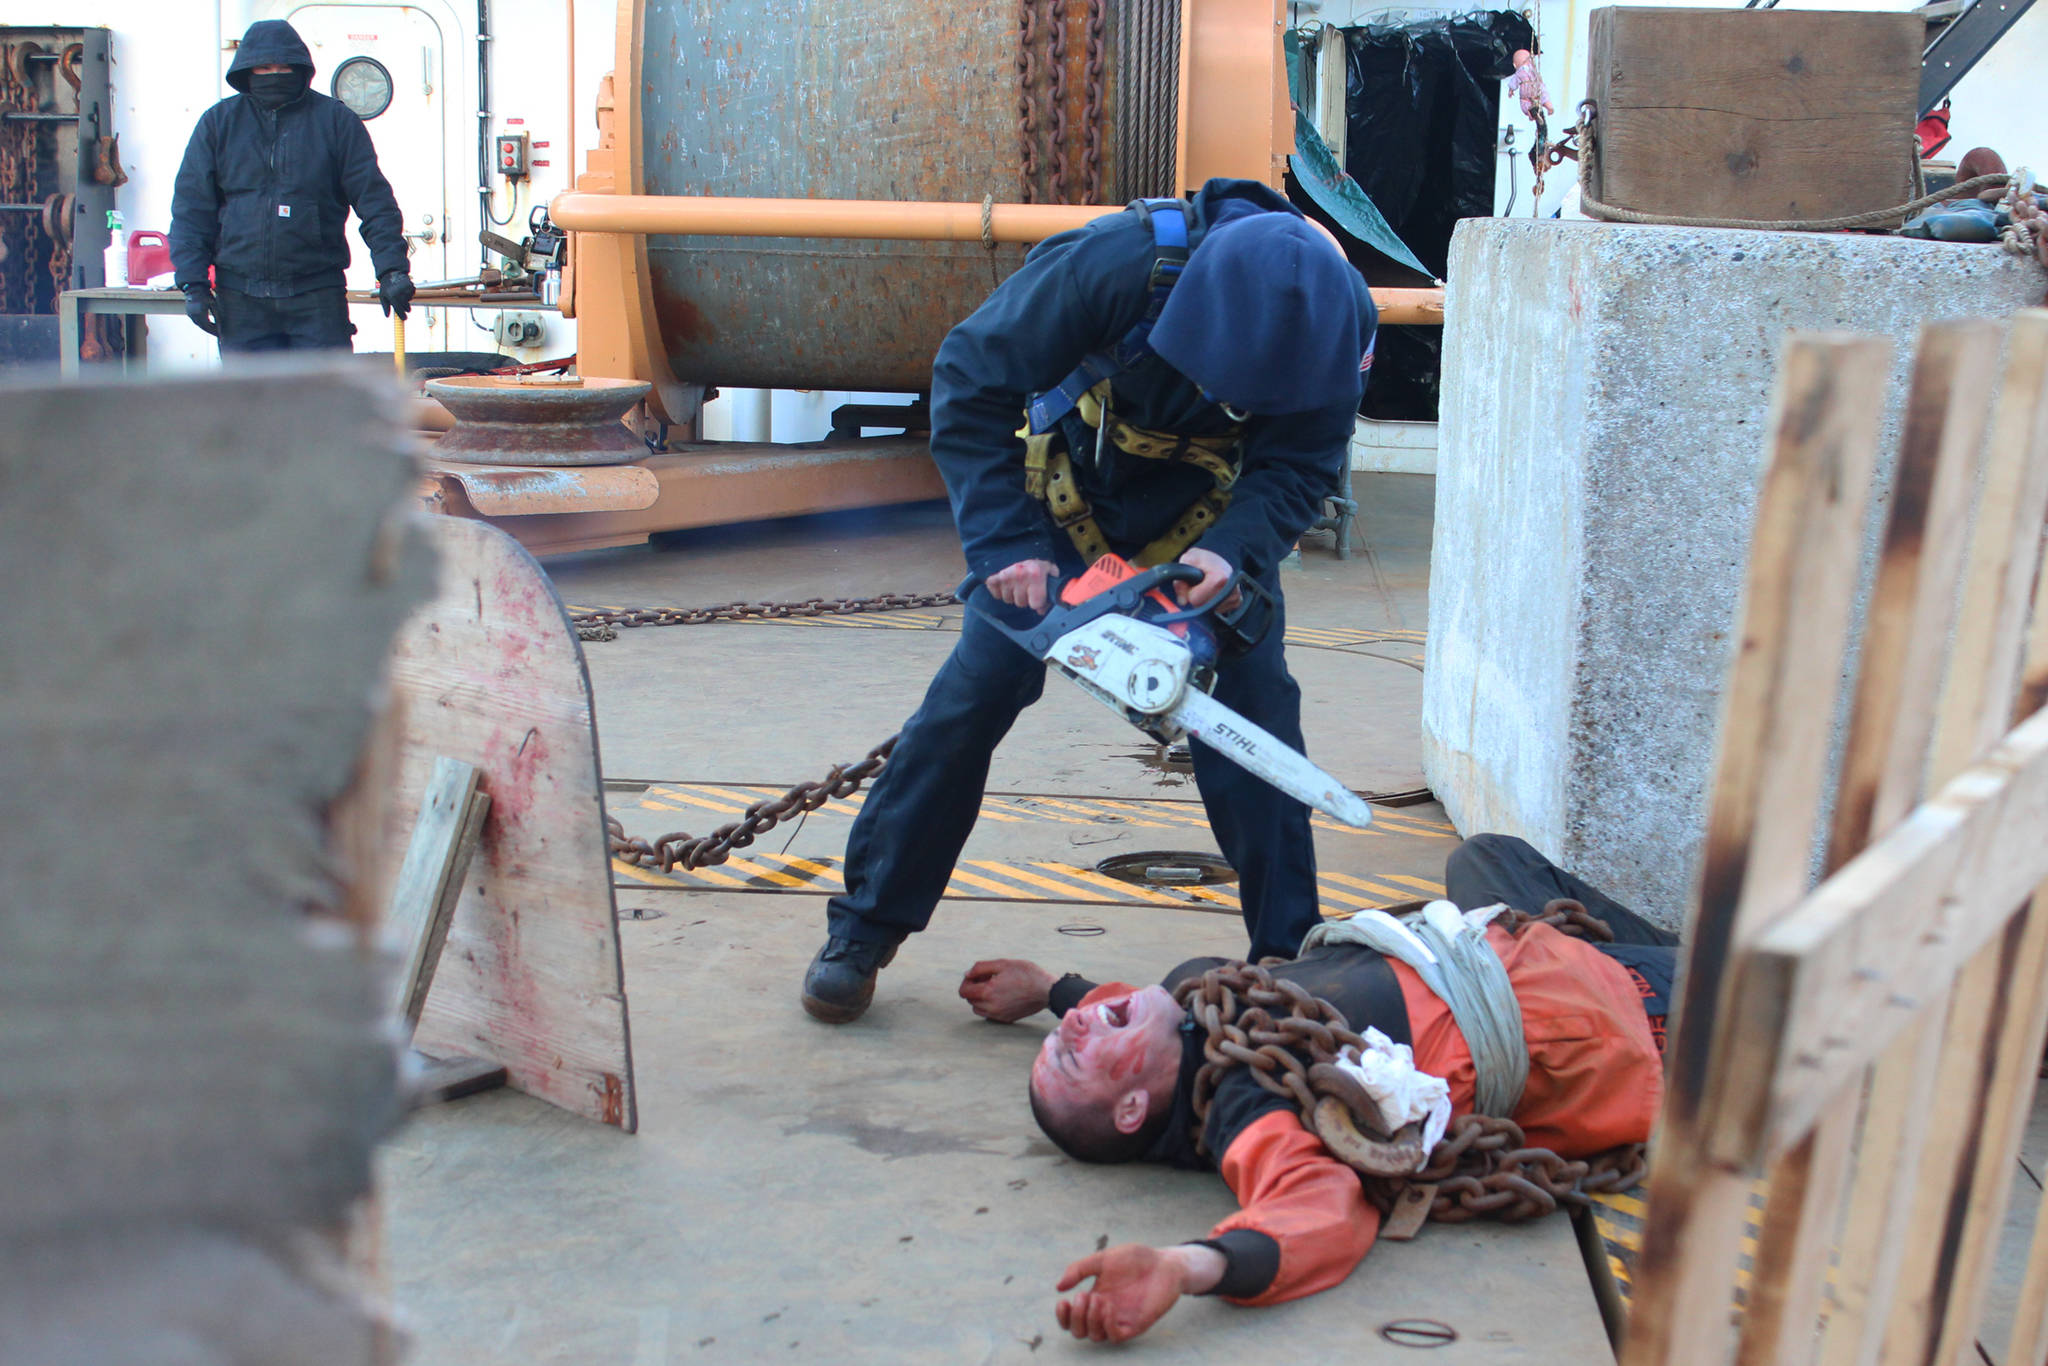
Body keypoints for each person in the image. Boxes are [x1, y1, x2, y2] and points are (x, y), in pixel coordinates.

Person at [801, 178, 1377, 1023]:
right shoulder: (1117, 264)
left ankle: (1289, 963)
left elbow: (1299, 465)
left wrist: (1231, 554)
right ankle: (864, 928)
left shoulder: (1336, 325)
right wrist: (1005, 544)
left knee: (1256, 728)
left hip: (1208, 527)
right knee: (970, 700)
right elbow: (969, 377)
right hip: (1064, 511)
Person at [958, 833, 1676, 1344]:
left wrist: (1050, 989)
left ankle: (1680, 951)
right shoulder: (1249, 1102)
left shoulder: (1189, 1010)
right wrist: (1187, 1266)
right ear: (1135, 1108)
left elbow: (1118, 1010)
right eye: (1073, 1055)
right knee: (1752, 974)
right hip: (1610, 1015)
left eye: (1067, 1030)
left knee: (1486, 857)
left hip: (1529, 945)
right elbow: (1313, 1210)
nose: (1076, 1027)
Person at [169, 20, 414, 354]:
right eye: (265, 67)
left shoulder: (336, 122)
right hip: (241, 302)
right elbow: (192, 209)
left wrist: (392, 270)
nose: (275, 74)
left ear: (301, 68)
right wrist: (193, 283)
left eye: (284, 66)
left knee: (323, 402)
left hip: (317, 299)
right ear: (247, 70)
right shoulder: (218, 123)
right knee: (251, 406)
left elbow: (375, 202)